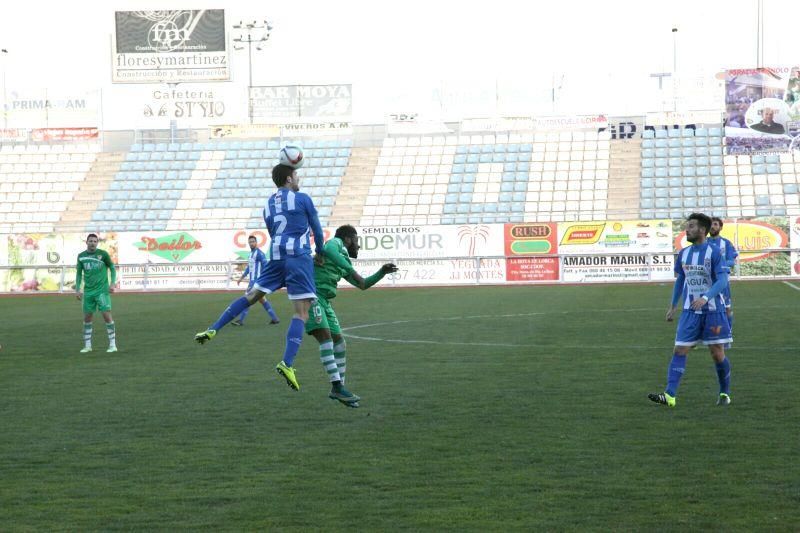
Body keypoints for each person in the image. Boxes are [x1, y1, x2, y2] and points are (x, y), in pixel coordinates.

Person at [195, 163, 326, 393]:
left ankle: (214, 328)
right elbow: (316, 227)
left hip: (275, 256)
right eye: (295, 175)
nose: (298, 179)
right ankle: (287, 363)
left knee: (252, 295)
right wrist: (320, 252)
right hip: (298, 257)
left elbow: (274, 232)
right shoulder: (303, 198)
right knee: (301, 313)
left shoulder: (267, 205)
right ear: (288, 179)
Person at [306, 224, 397, 408]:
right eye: (356, 241)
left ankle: (340, 391)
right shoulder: (336, 244)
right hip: (311, 296)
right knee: (326, 340)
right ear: (347, 239)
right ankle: (337, 387)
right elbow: (328, 248)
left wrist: (381, 272)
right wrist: (350, 268)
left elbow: (362, 284)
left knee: (340, 342)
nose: (358, 245)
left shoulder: (342, 260)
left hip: (325, 301)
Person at [649, 213, 732, 408]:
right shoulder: (684, 253)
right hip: (689, 312)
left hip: (713, 311)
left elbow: (722, 280)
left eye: (692, 226)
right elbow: (680, 279)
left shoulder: (714, 252)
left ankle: (724, 393)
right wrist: (673, 306)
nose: (687, 229)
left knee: (716, 353)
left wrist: (705, 297)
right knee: (679, 349)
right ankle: (669, 395)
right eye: (687, 226)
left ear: (702, 230)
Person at [75, 233, 117, 353]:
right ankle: (87, 346)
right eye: (91, 241)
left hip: (102, 291)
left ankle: (113, 345)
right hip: (88, 292)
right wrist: (78, 289)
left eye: (95, 241)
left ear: (97, 243)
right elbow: (78, 274)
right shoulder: (81, 256)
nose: (93, 243)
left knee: (106, 315)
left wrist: (112, 283)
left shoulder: (103, 254)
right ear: (86, 242)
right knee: (87, 318)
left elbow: (112, 268)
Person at [231, 234, 280, 327]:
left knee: (247, 299)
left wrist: (265, 278)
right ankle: (275, 318)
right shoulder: (251, 254)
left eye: (253, 241)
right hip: (253, 281)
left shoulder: (259, 253)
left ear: (256, 242)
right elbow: (249, 268)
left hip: (256, 281)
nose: (251, 243)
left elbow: (266, 265)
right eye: (250, 242)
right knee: (262, 300)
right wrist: (241, 278)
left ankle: (241, 320)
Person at [707, 217, 738, 330]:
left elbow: (731, 262)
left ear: (720, 227)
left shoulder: (726, 243)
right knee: (701, 309)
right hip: (706, 283)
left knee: (727, 309)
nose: (712, 226)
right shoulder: (704, 242)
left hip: (722, 282)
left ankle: (728, 332)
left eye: (715, 224)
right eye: (711, 224)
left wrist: (719, 262)